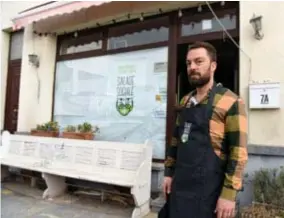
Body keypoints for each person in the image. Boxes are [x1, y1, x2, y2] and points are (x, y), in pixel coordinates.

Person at [162, 41, 248, 218]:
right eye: (189, 63)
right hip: (180, 188)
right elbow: (176, 140)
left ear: (213, 65)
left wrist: (229, 195)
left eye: (199, 61)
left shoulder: (231, 101)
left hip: (209, 193)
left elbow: (238, 153)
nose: (192, 67)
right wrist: (168, 173)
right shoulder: (186, 100)